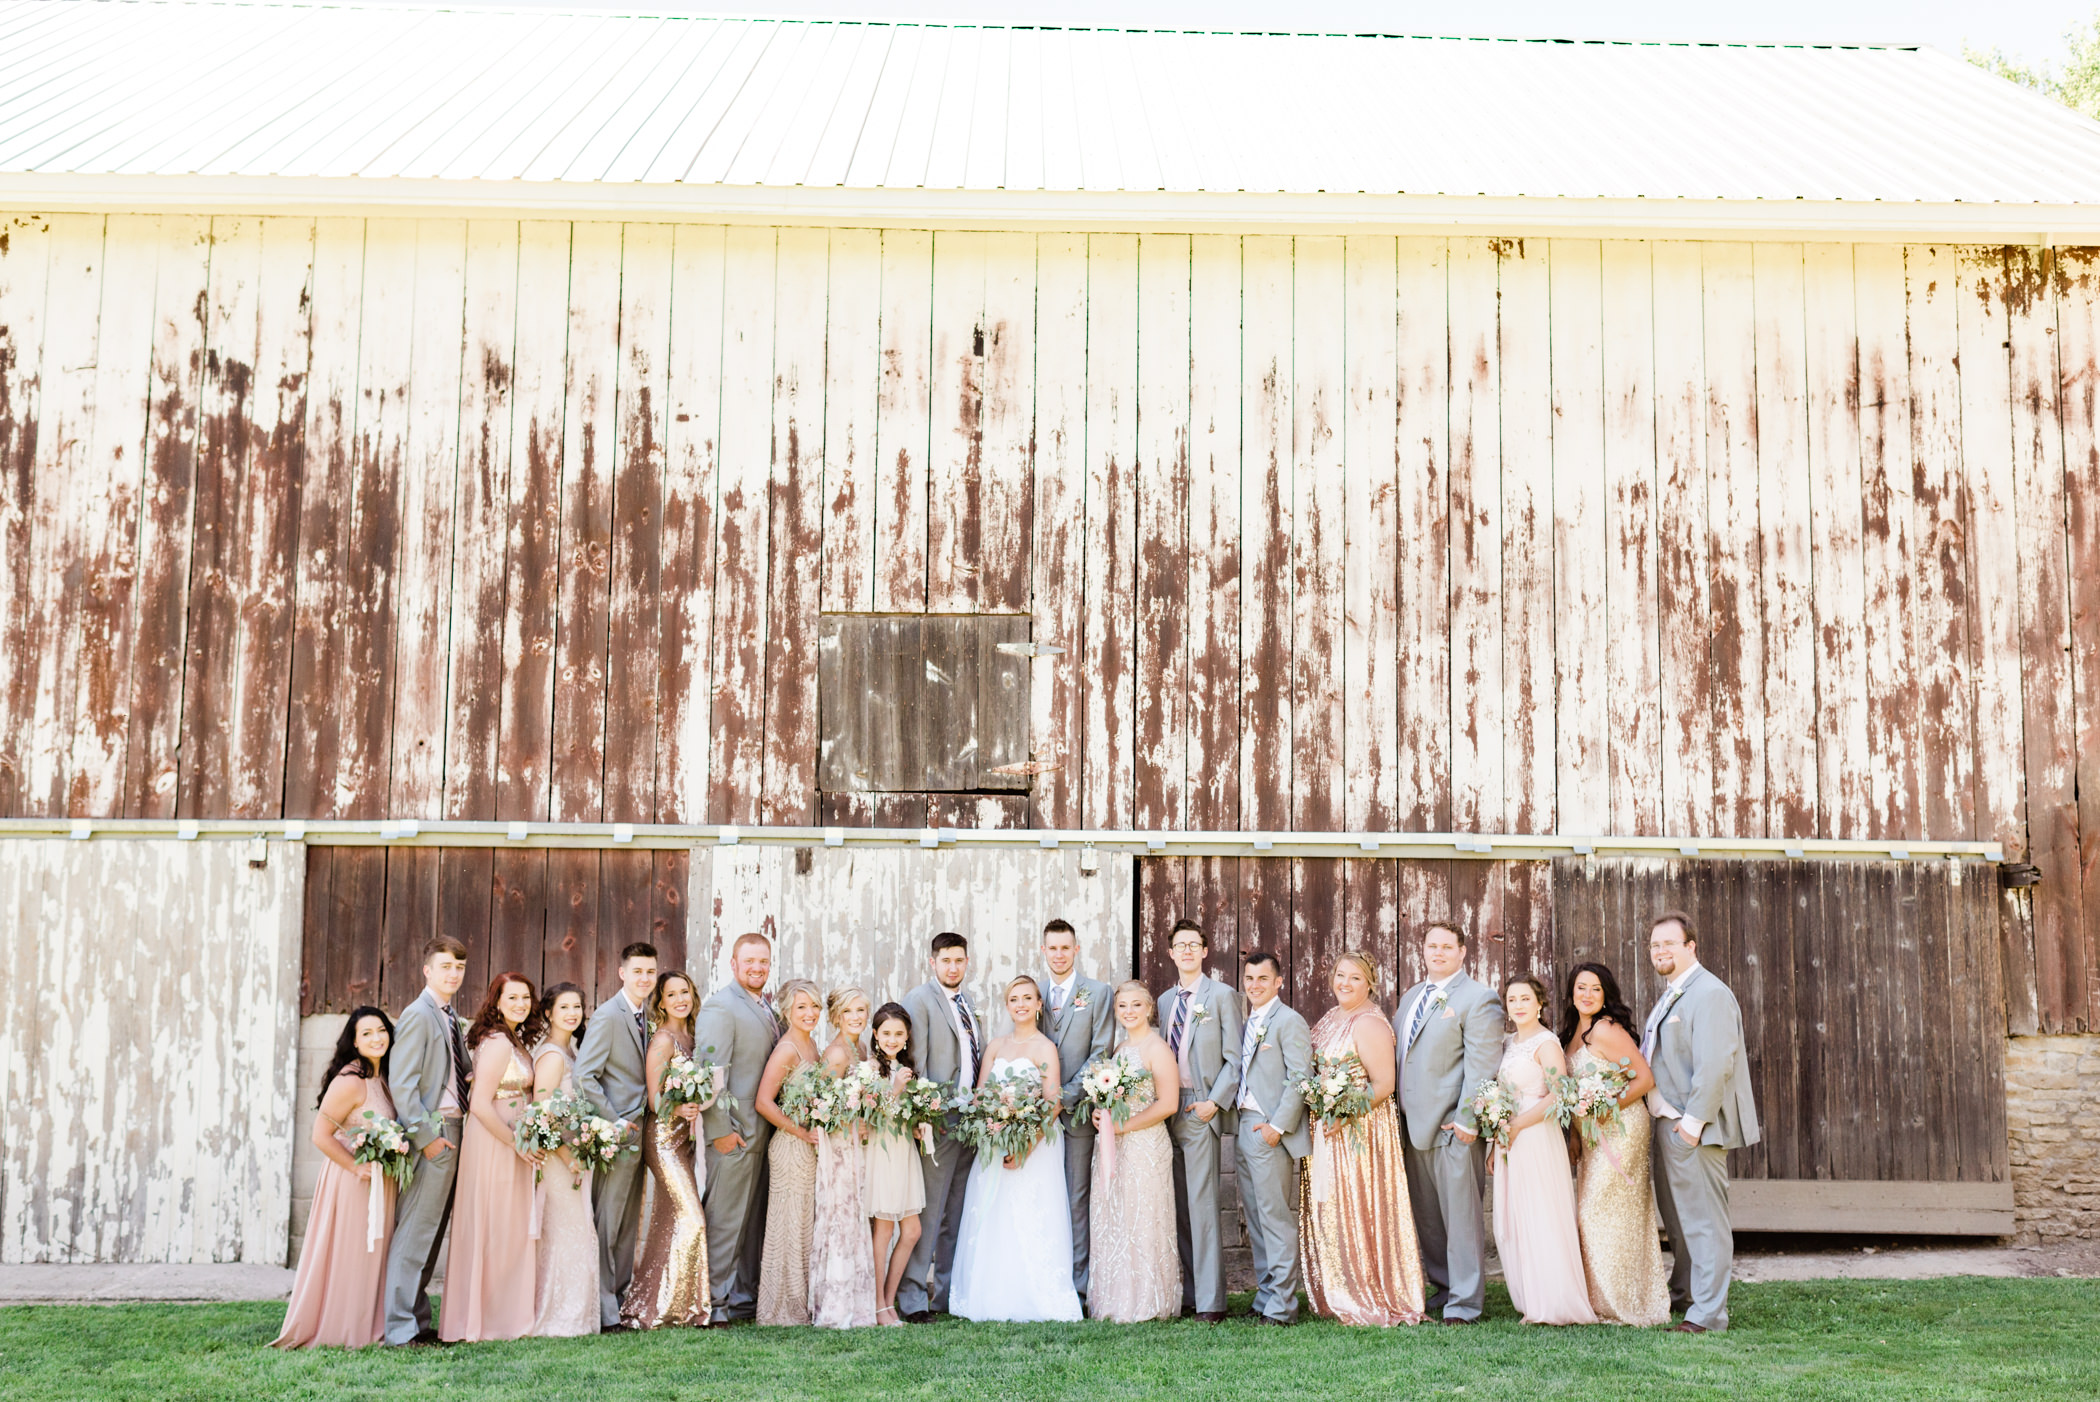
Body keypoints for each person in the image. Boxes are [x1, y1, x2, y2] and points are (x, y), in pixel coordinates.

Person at [1643, 912, 1760, 1334]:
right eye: (1654, 945)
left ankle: (1708, 1314)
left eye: (1668, 943)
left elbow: (1715, 1066)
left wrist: (1692, 1124)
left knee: (1704, 1221)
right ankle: (1687, 1294)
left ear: (1691, 946)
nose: (1660, 951)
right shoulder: (1673, 993)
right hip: (1669, 1123)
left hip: (1693, 1128)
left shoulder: (1709, 993)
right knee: (1679, 1221)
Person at [947, 976, 1084, 1323]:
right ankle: (991, 1295)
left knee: (1032, 1213)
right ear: (1007, 1005)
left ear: (1039, 1005)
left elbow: (1053, 1102)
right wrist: (993, 1126)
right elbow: (980, 1096)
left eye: (1027, 998)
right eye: (1013, 999)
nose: (1020, 1004)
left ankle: (1036, 1296)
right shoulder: (995, 1046)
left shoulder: (1045, 1048)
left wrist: (1026, 1144)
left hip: (1035, 1143)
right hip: (995, 1141)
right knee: (994, 1214)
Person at [1300, 950, 1424, 1326]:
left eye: (1355, 977)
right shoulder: (1329, 1018)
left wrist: (1345, 1112)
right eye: (1340, 975)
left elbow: (1384, 1084)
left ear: (1370, 982)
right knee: (1331, 1204)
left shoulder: (1368, 1022)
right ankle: (1336, 1286)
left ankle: (1363, 1289)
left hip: (1359, 1129)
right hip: (1328, 1126)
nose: (1345, 983)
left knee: (1355, 1203)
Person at [1393, 921, 1502, 1324]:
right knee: (1429, 1217)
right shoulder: (1411, 997)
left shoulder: (1478, 998)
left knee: (1461, 1219)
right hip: (1411, 1125)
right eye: (1431, 946)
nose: (1437, 953)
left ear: (1462, 952)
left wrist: (1468, 1121)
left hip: (1453, 1127)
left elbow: (1482, 1065)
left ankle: (1466, 1301)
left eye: (1446, 947)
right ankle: (1443, 1287)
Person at [274, 1007, 397, 1348]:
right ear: (355, 1043)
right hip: (352, 1180)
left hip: (379, 1179)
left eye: (382, 1030)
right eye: (367, 1034)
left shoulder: (381, 1076)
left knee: (372, 1254)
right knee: (351, 1252)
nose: (377, 1038)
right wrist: (356, 1167)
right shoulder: (350, 1081)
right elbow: (321, 1135)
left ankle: (368, 1323)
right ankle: (342, 1328)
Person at [1561, 962, 1670, 1327]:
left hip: (1621, 1129)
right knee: (1593, 1213)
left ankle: (1622, 1301)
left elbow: (1643, 1078)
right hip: (1591, 1134)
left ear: (1606, 994)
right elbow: (1573, 1094)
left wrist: (1604, 1109)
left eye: (1595, 989)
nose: (1587, 995)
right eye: (1581, 988)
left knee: (1602, 1211)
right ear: (1571, 993)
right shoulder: (1572, 1033)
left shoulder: (1606, 1030)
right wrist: (1576, 1133)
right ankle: (1598, 1298)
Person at [1488, 974, 1596, 1326]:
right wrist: (1495, 1142)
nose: (1517, 1005)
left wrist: (1519, 1124)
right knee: (1517, 1217)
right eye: (1512, 1000)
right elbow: (1503, 1098)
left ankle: (1554, 1302)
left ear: (1540, 1004)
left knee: (1541, 1213)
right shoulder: (1509, 1043)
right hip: (1510, 1139)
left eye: (1524, 999)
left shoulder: (1546, 1042)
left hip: (1536, 1135)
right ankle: (1530, 1298)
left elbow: (1559, 1093)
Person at [440, 971, 541, 1342]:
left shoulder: (509, 1039)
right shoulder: (498, 1043)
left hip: (511, 1139)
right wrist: (516, 1143)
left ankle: (500, 1313)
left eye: (525, 998)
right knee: (494, 1227)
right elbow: (480, 1105)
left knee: (507, 1228)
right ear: (496, 1002)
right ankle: (488, 1320)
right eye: (512, 997)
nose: (520, 1004)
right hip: (495, 1142)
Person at [382, 935, 470, 1346]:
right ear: (427, 970)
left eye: (459, 967)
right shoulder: (418, 1014)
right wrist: (425, 1138)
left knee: (431, 1232)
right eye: (446, 966)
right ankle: (400, 1327)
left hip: (456, 1132)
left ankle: (417, 1322)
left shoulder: (450, 1016)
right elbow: (402, 1084)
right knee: (416, 1230)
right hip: (435, 1135)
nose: (454, 974)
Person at [1155, 918, 1243, 1322]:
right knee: (1179, 1207)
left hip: (1199, 1106)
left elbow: (1235, 1058)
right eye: (1180, 945)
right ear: (1170, 952)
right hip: (1165, 1109)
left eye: (1195, 945)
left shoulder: (1222, 996)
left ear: (1205, 951)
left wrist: (1214, 1102)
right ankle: (1189, 1293)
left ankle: (1211, 1302)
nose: (1187, 951)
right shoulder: (1162, 1001)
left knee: (1203, 1204)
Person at [620, 970, 714, 1330]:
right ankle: (668, 1308)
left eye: (685, 992)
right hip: (662, 1138)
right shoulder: (662, 1040)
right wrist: (678, 1108)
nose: (680, 999)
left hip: (686, 1139)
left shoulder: (692, 1036)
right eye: (672, 994)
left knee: (668, 1221)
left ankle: (664, 1306)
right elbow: (654, 1097)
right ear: (660, 1001)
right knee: (693, 1219)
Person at [695, 931, 780, 1324]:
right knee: (726, 1221)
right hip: (735, 1134)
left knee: (751, 1224)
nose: (757, 968)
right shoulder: (720, 1008)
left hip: (764, 1134)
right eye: (750, 962)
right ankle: (714, 1303)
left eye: (763, 961)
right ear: (733, 964)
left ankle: (743, 1299)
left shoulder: (767, 1008)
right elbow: (710, 1077)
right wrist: (720, 1132)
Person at [1084, 981, 1180, 1323]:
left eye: (1136, 1005)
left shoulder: (1157, 1048)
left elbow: (1168, 1104)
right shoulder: (1120, 1048)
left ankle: (1148, 1301)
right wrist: (1101, 1113)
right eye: (1122, 1006)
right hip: (1115, 1144)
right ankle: (1115, 1299)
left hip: (1145, 1145)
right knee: (1118, 1217)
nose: (1129, 1012)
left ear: (1149, 1008)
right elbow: (1110, 1098)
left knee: (1144, 1218)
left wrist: (1125, 1126)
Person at [898, 931, 982, 1320]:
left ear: (967, 962)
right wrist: (926, 1117)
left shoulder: (967, 1003)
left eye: (959, 960)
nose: (953, 967)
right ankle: (913, 1297)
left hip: (969, 1120)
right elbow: (914, 1063)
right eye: (946, 960)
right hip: (939, 1119)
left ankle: (945, 1294)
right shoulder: (920, 1000)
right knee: (929, 1212)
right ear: (933, 962)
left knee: (957, 1211)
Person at [575, 941, 657, 1330]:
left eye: (650, 972)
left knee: (628, 1225)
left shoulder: (647, 1016)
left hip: (642, 1135)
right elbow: (584, 1076)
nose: (645, 978)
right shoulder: (608, 1016)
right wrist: (612, 1120)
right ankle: (604, 1308)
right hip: (618, 1133)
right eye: (638, 971)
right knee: (608, 1222)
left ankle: (622, 1302)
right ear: (622, 973)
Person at [1233, 951, 1313, 1326]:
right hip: (1244, 1125)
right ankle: (1266, 1296)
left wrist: (1276, 1128)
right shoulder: (1249, 1020)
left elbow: (1300, 1077)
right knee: (1256, 1216)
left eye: (1263, 979)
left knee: (1275, 1218)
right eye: (1249, 978)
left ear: (1279, 982)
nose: (1254, 985)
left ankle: (1282, 1306)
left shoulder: (1288, 1021)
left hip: (1269, 1131)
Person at [1037, 917, 1114, 1304]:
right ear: (1043, 950)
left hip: (1076, 1114)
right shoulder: (1030, 993)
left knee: (1075, 1199)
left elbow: (1100, 1052)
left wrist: (1062, 1099)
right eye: (1052, 948)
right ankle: (1042, 1278)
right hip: (1034, 1119)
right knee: (1040, 1197)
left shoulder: (1097, 993)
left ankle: (1078, 1286)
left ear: (1076, 949)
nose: (1059, 954)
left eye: (1065, 947)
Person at [529, 982, 601, 1337]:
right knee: (563, 1232)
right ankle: (559, 1316)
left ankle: (578, 1314)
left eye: (577, 1007)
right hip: (560, 1159)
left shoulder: (570, 1052)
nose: (573, 1013)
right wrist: (567, 1155)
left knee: (577, 1229)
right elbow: (542, 1114)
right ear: (548, 1013)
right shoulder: (552, 1056)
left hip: (575, 1153)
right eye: (564, 1008)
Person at [755, 979, 824, 1326]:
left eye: (814, 1006)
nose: (810, 1013)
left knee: (804, 1225)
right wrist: (800, 1131)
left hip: (809, 1147)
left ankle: (805, 1301)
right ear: (786, 1012)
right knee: (788, 1226)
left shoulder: (811, 1044)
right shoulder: (787, 1049)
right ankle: (781, 1308)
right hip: (790, 1147)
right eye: (802, 1007)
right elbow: (763, 1102)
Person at [810, 987, 879, 1329]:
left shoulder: (860, 1047)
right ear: (837, 1016)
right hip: (838, 1146)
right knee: (840, 1216)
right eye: (850, 1012)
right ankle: (836, 1305)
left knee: (855, 1216)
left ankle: (859, 1300)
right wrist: (855, 1114)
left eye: (862, 1012)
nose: (856, 1018)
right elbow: (821, 1109)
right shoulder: (836, 1052)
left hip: (856, 1143)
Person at [865, 1003, 926, 1327]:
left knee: (912, 1230)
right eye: (886, 1033)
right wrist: (896, 1088)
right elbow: (870, 1117)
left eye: (898, 1033)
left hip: (904, 1150)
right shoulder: (872, 1068)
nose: (892, 1039)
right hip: (882, 1152)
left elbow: (903, 1113)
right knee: (885, 1229)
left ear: (907, 1037)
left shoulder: (905, 1066)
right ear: (875, 1035)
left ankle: (888, 1301)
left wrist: (918, 1124)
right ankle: (877, 1305)